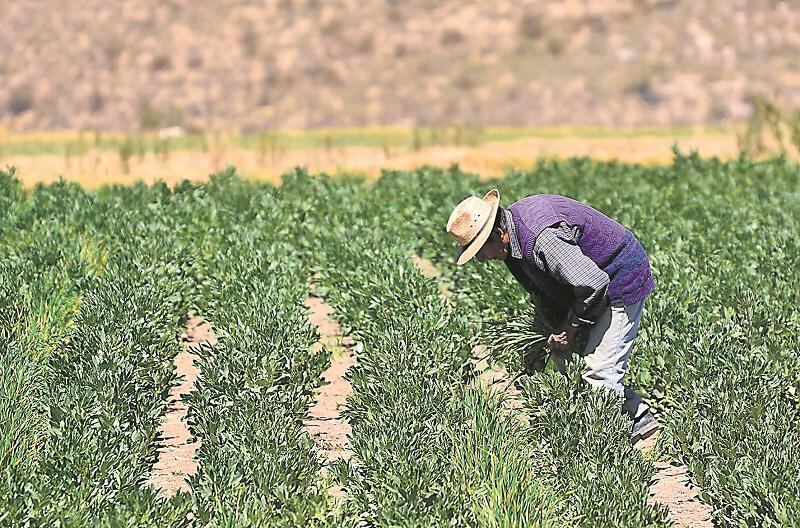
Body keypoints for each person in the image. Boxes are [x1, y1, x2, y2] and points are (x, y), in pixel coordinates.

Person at [446, 189, 659, 443]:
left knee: (600, 372)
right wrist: (541, 342)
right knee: (565, 357)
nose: (482, 259)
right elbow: (545, 293)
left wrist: (571, 327)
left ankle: (605, 450)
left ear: (497, 234)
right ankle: (636, 415)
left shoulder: (540, 238)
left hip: (618, 277)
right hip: (587, 285)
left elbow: (594, 283)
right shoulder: (512, 247)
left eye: (481, 250)